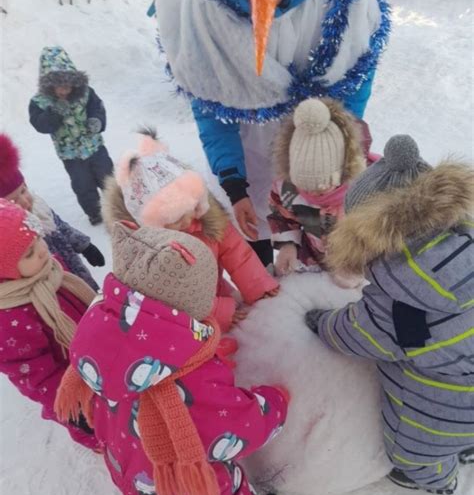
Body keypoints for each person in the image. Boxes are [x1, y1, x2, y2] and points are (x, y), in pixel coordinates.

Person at [55, 224, 289, 495]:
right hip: (190, 493)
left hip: (131, 475)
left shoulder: (100, 350)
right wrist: (274, 403)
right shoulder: (192, 379)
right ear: (189, 306)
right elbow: (237, 428)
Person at [155, 0, 390, 265]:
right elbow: (211, 110)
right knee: (260, 239)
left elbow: (354, 77)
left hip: (318, 158)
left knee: (322, 235)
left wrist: (337, 145)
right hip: (251, 157)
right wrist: (234, 184)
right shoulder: (203, 7)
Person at [305, 136, 474, 494]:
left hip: (451, 403)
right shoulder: (466, 239)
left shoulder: (401, 300)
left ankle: (435, 479)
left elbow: (358, 334)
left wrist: (322, 323)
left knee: (414, 448)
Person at [102, 130, 279, 332]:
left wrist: (259, 288)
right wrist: (218, 311)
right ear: (152, 225)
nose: (188, 220)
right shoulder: (147, 257)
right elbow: (169, 298)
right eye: (176, 219)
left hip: (217, 293)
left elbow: (237, 253)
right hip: (183, 325)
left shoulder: (204, 219)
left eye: (193, 208)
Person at [0, 199, 98, 449]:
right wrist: (72, 408)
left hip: (95, 357)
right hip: (73, 386)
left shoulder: (49, 267)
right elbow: (34, 375)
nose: (43, 250)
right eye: (29, 252)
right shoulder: (10, 317)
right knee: (99, 425)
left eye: (38, 239)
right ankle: (103, 444)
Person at [267, 97, 366, 278]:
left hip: (358, 270)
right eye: (305, 186)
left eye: (321, 186)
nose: (313, 193)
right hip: (313, 262)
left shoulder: (363, 192)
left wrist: (357, 265)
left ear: (343, 171)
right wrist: (288, 244)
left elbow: (381, 234)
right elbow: (282, 216)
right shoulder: (288, 190)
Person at [0, 133, 104, 291]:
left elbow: (61, 226)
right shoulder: (10, 237)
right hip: (54, 289)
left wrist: (85, 245)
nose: (25, 201)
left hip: (78, 277)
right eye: (13, 200)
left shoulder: (39, 207)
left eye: (23, 191)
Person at [28, 46, 113, 225]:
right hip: (70, 155)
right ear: (48, 85)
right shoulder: (40, 102)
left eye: (67, 86)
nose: (64, 91)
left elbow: (97, 108)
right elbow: (40, 124)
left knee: (108, 177)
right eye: (58, 87)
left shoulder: (86, 93)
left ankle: (116, 204)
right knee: (83, 185)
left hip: (95, 146)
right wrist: (54, 113)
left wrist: (96, 120)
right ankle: (95, 212)